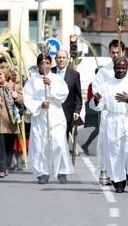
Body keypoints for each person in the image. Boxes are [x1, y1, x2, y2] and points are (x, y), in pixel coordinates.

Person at [90, 57, 128, 193]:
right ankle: (119, 182)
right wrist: (97, 100)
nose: (121, 70)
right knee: (115, 153)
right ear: (114, 69)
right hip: (113, 121)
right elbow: (98, 106)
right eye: (118, 68)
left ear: (127, 68)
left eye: (123, 68)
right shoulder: (106, 85)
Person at [23, 54, 74, 184]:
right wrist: (40, 104)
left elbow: (63, 95)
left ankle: (62, 171)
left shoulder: (57, 79)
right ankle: (42, 172)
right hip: (40, 117)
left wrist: (51, 86)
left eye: (47, 63)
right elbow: (27, 99)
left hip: (55, 116)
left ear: (50, 64)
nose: (45, 66)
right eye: (42, 63)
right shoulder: (32, 81)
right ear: (38, 65)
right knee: (40, 145)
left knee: (59, 143)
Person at [51, 50, 82, 141]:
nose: (61, 60)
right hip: (52, 113)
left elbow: (78, 96)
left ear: (67, 59)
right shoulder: (50, 72)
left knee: (63, 140)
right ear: (55, 59)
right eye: (59, 57)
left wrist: (77, 111)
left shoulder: (74, 75)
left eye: (63, 58)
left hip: (67, 114)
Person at [81, 67, 101, 155]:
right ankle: (86, 145)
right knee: (99, 129)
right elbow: (90, 98)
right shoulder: (93, 84)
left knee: (100, 130)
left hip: (103, 111)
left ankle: (86, 145)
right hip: (97, 110)